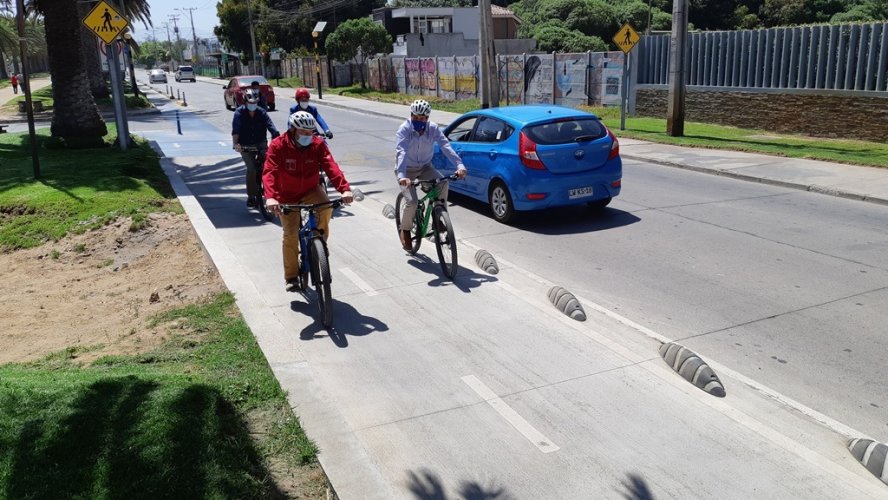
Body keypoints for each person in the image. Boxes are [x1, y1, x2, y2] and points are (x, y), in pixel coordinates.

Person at [264, 111, 354, 292]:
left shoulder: (317, 144)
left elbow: (331, 166)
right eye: (303, 132)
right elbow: (270, 171)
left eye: (310, 132)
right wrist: (271, 197)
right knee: (290, 235)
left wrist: (344, 188)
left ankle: (319, 242)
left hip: (311, 189)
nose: (308, 136)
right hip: (286, 194)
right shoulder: (278, 145)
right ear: (293, 130)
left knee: (326, 208)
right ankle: (291, 277)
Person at [395, 99, 467, 251]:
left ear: (427, 118)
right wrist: (402, 176)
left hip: (425, 167)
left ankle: (437, 218)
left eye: (421, 118)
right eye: (415, 117)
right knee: (412, 202)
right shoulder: (404, 129)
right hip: (407, 169)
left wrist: (459, 165)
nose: (418, 120)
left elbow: (446, 146)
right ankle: (405, 229)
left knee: (443, 183)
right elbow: (401, 152)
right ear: (411, 115)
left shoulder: (433, 128)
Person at [232, 88, 279, 209]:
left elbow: (271, 126)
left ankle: (272, 192)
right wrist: (236, 144)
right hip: (245, 145)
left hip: (261, 143)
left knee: (269, 166)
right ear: (245, 102)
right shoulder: (239, 113)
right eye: (250, 103)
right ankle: (251, 196)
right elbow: (236, 130)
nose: (252, 105)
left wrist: (276, 137)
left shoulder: (262, 112)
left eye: (255, 103)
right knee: (252, 169)